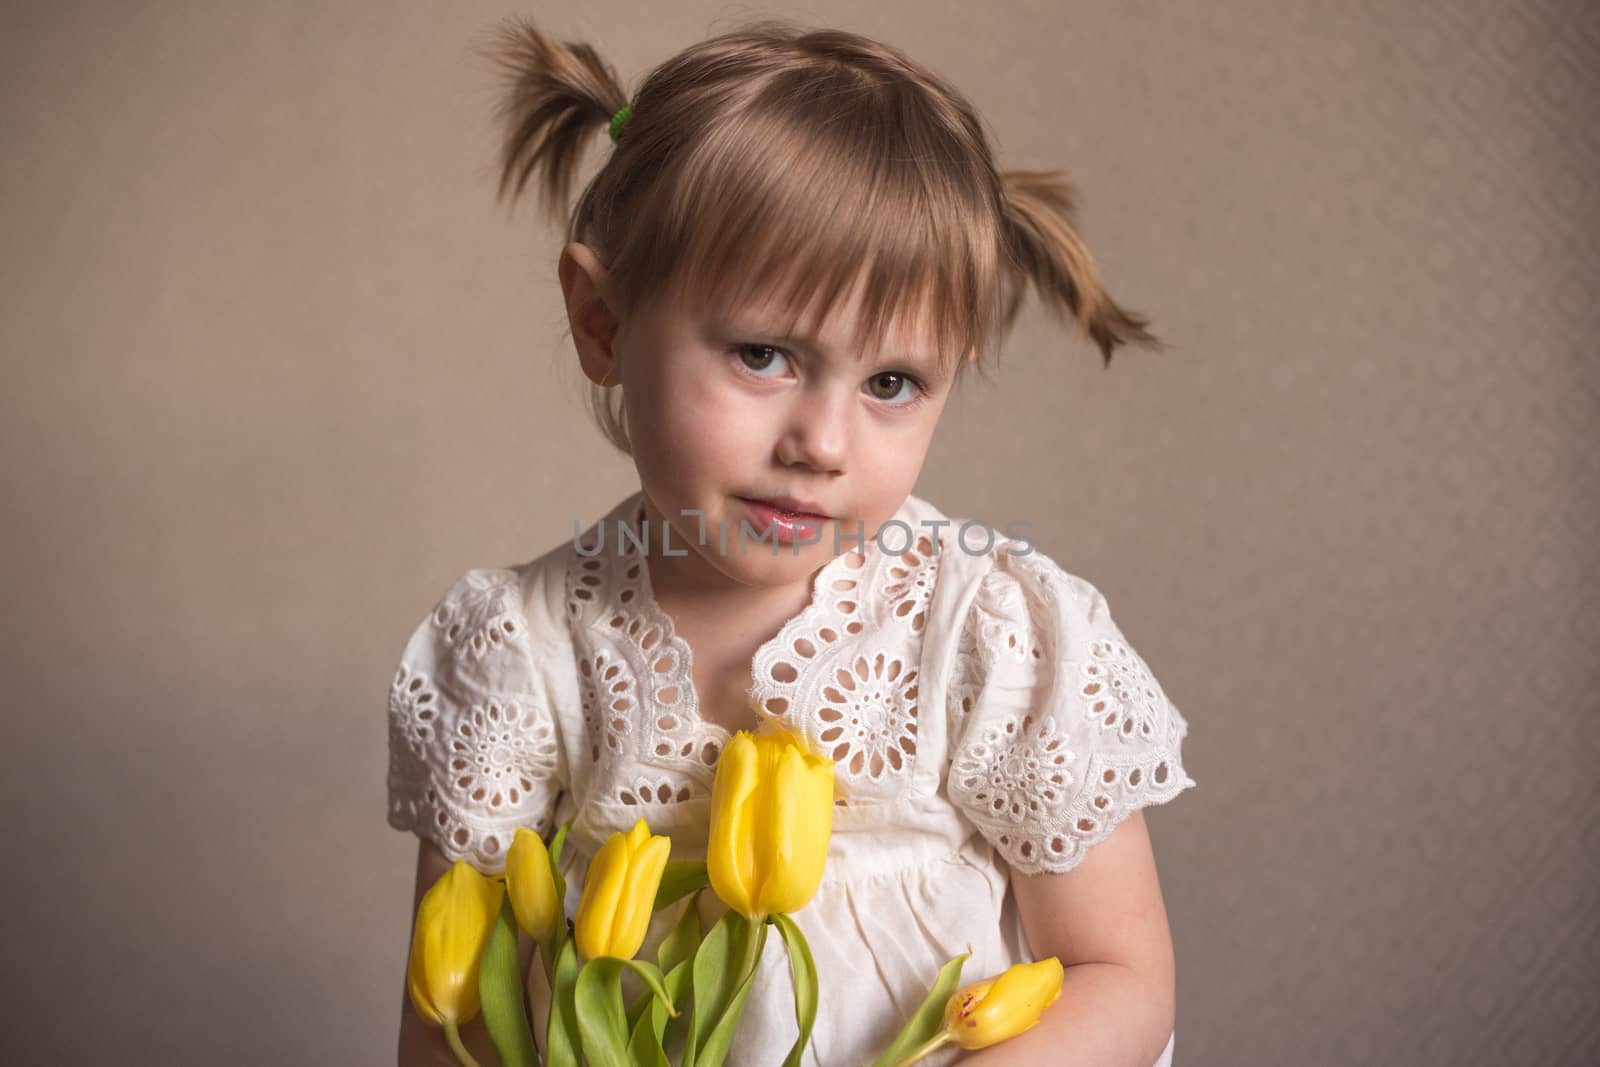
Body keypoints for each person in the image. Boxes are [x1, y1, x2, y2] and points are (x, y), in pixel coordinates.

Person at [389, 16, 1196, 1067]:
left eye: (891, 383)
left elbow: (1121, 977)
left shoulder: (989, 629)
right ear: (601, 319)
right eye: (764, 354)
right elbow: (446, 1025)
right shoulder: (516, 651)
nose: (823, 443)